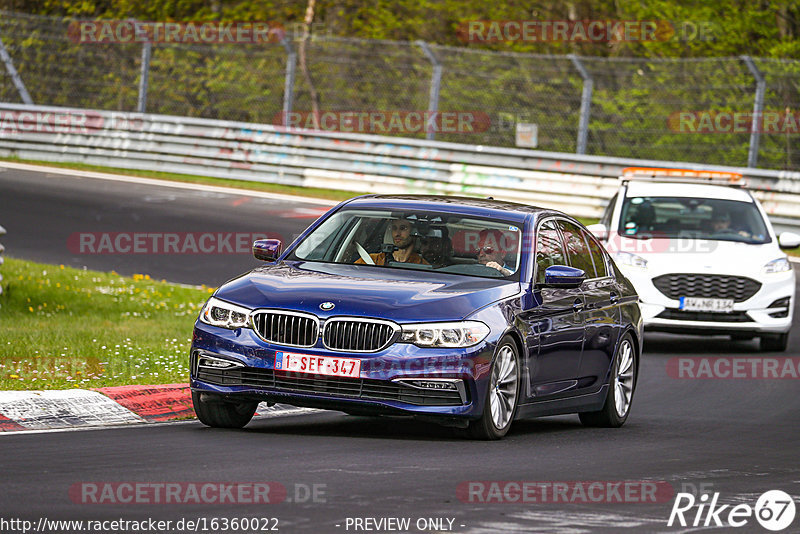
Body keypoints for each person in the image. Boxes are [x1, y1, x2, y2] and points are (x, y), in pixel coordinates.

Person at [355, 217, 429, 266]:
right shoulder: (372, 260)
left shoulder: (422, 265)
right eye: (394, 228)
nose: (397, 234)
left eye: (403, 228)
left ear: (413, 232)